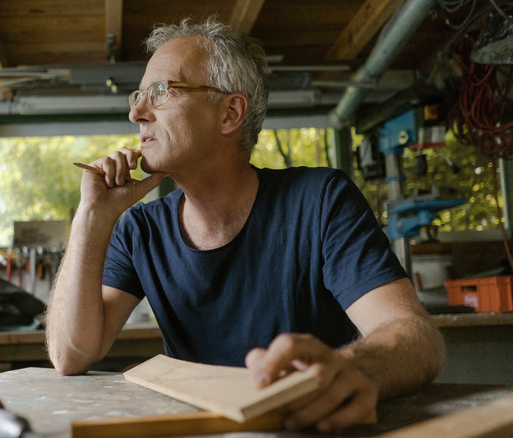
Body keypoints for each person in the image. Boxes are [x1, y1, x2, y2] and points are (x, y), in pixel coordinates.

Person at [45, 17, 445, 432]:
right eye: (138, 95)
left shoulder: (320, 200)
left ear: (230, 113)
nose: (136, 112)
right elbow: (71, 354)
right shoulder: (140, 231)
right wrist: (91, 218)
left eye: (160, 92)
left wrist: (351, 368)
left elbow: (415, 336)